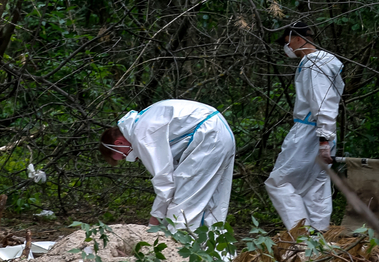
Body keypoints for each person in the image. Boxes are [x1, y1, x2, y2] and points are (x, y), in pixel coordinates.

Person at [99, 99, 235, 231]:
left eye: (124, 155)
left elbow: (165, 183)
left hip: (208, 135)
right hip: (217, 131)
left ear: (119, 143)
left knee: (183, 208)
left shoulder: (141, 136)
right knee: (210, 202)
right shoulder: (142, 122)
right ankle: (214, 251)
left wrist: (153, 223)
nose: (131, 159)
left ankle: (182, 249)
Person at [265, 22, 345, 232]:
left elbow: (322, 101)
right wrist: (327, 136)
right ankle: (318, 240)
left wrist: (323, 138)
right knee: (316, 186)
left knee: (279, 183)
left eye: (288, 41)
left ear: (299, 38)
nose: (287, 47)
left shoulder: (313, 63)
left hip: (310, 131)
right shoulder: (326, 62)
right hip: (321, 130)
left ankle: (301, 236)